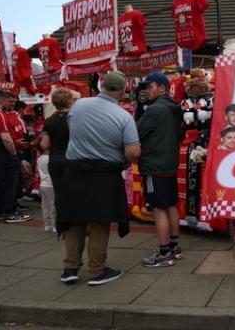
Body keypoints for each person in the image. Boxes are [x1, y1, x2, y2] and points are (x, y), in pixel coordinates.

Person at [57, 71, 141, 286]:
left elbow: (73, 130)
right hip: (104, 174)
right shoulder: (123, 116)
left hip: (75, 171)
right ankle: (97, 271)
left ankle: (70, 269)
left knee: (74, 219)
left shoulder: (78, 105)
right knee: (100, 221)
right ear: (122, 91)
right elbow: (133, 153)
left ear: (102, 86)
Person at [137, 71, 184, 268]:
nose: (146, 91)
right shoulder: (174, 108)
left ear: (162, 88)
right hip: (169, 164)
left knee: (158, 208)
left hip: (155, 165)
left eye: (150, 86)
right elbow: (180, 136)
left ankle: (164, 253)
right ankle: (174, 247)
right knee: (171, 205)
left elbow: (136, 133)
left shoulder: (155, 110)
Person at [0, 90, 30, 223]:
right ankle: (10, 213)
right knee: (10, 183)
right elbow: (6, 138)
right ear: (2, 100)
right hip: (2, 154)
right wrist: (14, 155)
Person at [40, 88, 75, 210]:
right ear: (69, 101)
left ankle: (61, 219)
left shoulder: (49, 121)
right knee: (74, 193)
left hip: (55, 161)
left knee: (59, 194)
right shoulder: (75, 119)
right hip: (73, 160)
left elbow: (44, 145)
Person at [37, 146, 55, 232]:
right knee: (53, 205)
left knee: (45, 205)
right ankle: (54, 225)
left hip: (43, 184)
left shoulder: (40, 158)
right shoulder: (50, 158)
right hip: (51, 184)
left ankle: (47, 224)